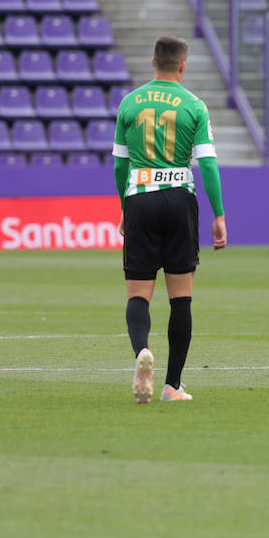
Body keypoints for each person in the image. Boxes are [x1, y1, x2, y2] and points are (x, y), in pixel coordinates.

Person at [113, 36, 227, 403]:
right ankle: (172, 385)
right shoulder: (194, 105)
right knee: (181, 298)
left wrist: (124, 207)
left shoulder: (129, 103)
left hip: (140, 198)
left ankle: (141, 351)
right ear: (182, 65)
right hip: (179, 198)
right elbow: (207, 164)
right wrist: (219, 214)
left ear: (153, 62)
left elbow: (119, 164)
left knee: (138, 294)